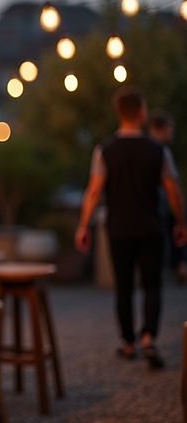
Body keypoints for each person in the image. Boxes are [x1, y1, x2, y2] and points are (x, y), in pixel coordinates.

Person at [75, 87, 187, 369]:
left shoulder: (105, 150)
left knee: (123, 287)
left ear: (119, 112)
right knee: (152, 285)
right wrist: (181, 222)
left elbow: (94, 191)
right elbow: (174, 192)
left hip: (119, 229)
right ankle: (149, 338)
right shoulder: (159, 151)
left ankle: (128, 343)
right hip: (151, 228)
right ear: (141, 113)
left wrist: (83, 225)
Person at [148, 109, 186, 283]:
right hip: (159, 207)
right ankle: (179, 265)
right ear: (161, 128)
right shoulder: (161, 152)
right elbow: (173, 190)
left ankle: (179, 265)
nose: (172, 132)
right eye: (170, 128)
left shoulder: (147, 149)